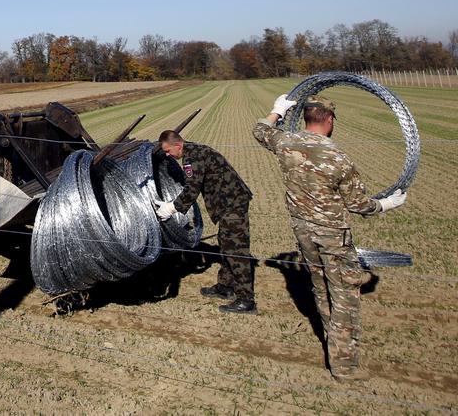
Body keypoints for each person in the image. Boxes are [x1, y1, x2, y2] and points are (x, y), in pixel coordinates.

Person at [254, 93, 406, 381]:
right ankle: (344, 366)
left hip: (302, 231)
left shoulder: (287, 143)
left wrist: (277, 110)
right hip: (332, 235)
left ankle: (330, 342)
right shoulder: (337, 157)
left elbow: (260, 130)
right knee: (345, 294)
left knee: (321, 286)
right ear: (329, 119)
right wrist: (386, 204)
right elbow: (359, 204)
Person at [155, 129, 256, 314]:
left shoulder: (192, 158)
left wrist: (171, 208)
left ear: (178, 145)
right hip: (227, 202)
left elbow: (191, 190)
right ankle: (225, 286)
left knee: (236, 250)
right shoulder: (195, 150)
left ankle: (246, 300)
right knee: (226, 244)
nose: (168, 155)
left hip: (232, 203)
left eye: (168, 151)